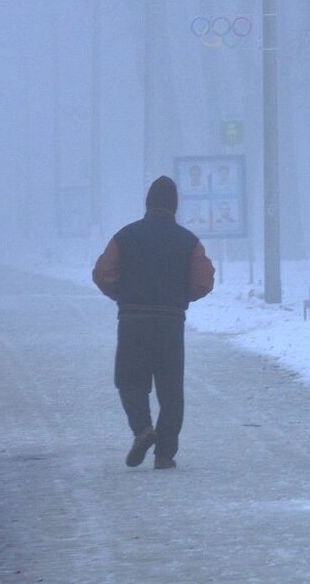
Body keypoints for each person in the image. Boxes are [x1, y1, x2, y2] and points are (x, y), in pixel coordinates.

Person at [92, 176, 215, 469]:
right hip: (170, 321)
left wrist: (122, 295)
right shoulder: (188, 241)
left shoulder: (125, 236)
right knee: (170, 388)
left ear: (147, 203)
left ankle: (143, 429)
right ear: (175, 206)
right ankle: (165, 454)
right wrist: (180, 297)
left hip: (133, 318)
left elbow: (102, 273)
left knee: (130, 381)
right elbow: (203, 281)